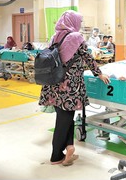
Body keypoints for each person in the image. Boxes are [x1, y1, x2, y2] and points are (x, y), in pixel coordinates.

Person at [38, 10, 110, 167]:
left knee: (66, 118)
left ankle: (69, 148)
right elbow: (88, 58)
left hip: (53, 83)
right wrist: (99, 74)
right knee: (63, 121)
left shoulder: (55, 36)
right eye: (79, 21)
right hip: (69, 87)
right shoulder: (76, 37)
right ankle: (56, 155)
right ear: (73, 22)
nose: (80, 24)